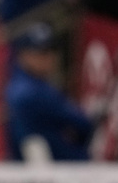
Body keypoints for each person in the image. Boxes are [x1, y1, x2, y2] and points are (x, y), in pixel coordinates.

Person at [5, 22, 94, 161]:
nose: (48, 58)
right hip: (58, 170)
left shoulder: (21, 85)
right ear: (23, 54)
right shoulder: (32, 91)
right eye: (40, 53)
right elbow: (83, 124)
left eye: (51, 51)